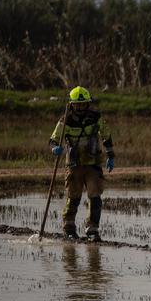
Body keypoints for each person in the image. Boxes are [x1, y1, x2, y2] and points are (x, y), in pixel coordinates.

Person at [48, 86, 115, 241]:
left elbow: (106, 135)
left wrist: (111, 155)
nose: (80, 107)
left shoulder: (96, 117)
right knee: (73, 196)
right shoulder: (65, 120)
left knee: (95, 196)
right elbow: (53, 140)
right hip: (73, 165)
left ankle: (92, 229)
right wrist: (55, 148)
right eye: (77, 104)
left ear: (87, 104)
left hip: (93, 164)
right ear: (71, 104)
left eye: (83, 104)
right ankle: (69, 228)